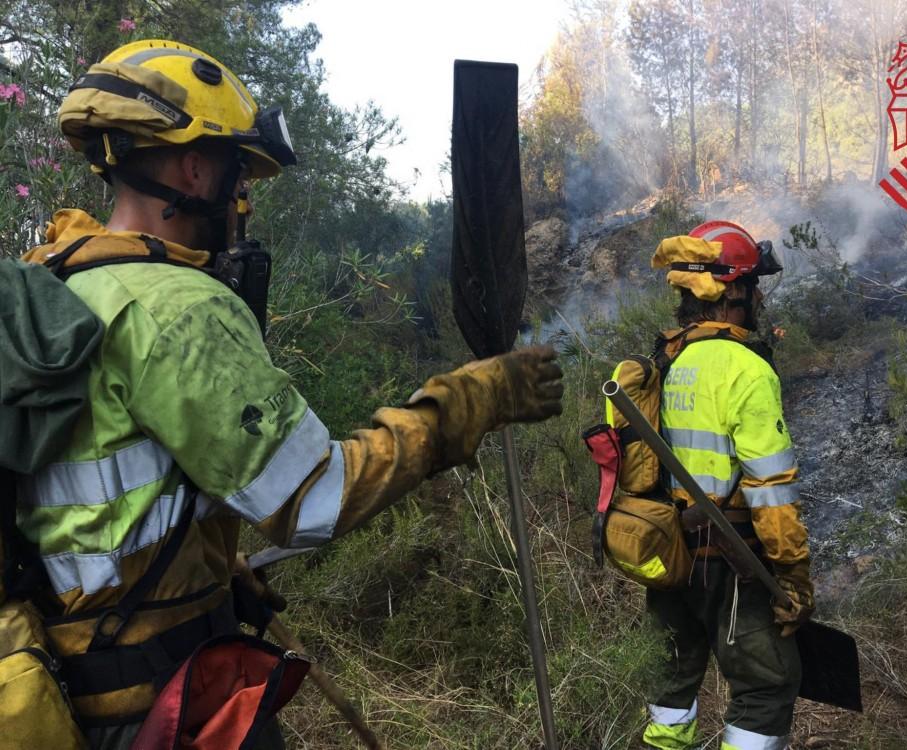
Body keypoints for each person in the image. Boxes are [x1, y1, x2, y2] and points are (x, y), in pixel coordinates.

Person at [16, 39, 563, 748]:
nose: (242, 200)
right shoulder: (176, 307)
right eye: (239, 173)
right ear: (195, 168)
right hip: (161, 707)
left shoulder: (58, 286)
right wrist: (465, 403)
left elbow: (94, 504)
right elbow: (313, 498)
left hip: (68, 685)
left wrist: (205, 570)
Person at [641, 221, 814, 750]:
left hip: (671, 556)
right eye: (753, 284)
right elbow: (771, 488)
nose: (759, 297)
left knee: (671, 685)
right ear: (730, 292)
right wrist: (792, 574)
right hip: (733, 561)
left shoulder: (666, 361)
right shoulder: (745, 368)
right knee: (767, 686)